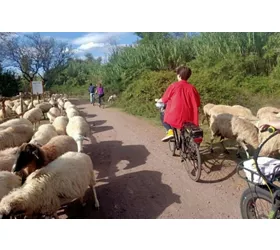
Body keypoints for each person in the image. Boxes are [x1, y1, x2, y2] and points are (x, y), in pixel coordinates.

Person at [157, 66, 201, 142]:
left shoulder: (173, 86)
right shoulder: (192, 88)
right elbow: (197, 103)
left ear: (179, 75)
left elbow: (165, 99)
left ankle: (170, 131)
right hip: (190, 116)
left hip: (175, 114)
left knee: (162, 114)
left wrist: (158, 100)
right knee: (186, 125)